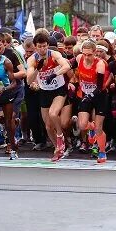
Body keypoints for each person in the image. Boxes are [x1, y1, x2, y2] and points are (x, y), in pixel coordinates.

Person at [26, 32, 72, 162]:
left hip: (58, 90)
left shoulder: (54, 54)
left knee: (53, 113)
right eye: (40, 46)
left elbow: (66, 65)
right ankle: (58, 149)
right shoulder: (32, 59)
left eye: (45, 46)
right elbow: (29, 81)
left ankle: (60, 136)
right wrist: (37, 69)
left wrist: (54, 74)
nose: (43, 49)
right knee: (47, 126)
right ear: (35, 47)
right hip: (45, 92)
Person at [71, 40, 108, 164]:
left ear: (94, 53)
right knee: (82, 126)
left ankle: (102, 152)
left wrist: (90, 95)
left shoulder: (100, 64)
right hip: (85, 94)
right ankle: (91, 128)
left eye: (89, 55)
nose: (86, 57)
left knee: (99, 127)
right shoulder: (79, 58)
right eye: (84, 54)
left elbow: (99, 87)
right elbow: (67, 66)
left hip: (99, 96)